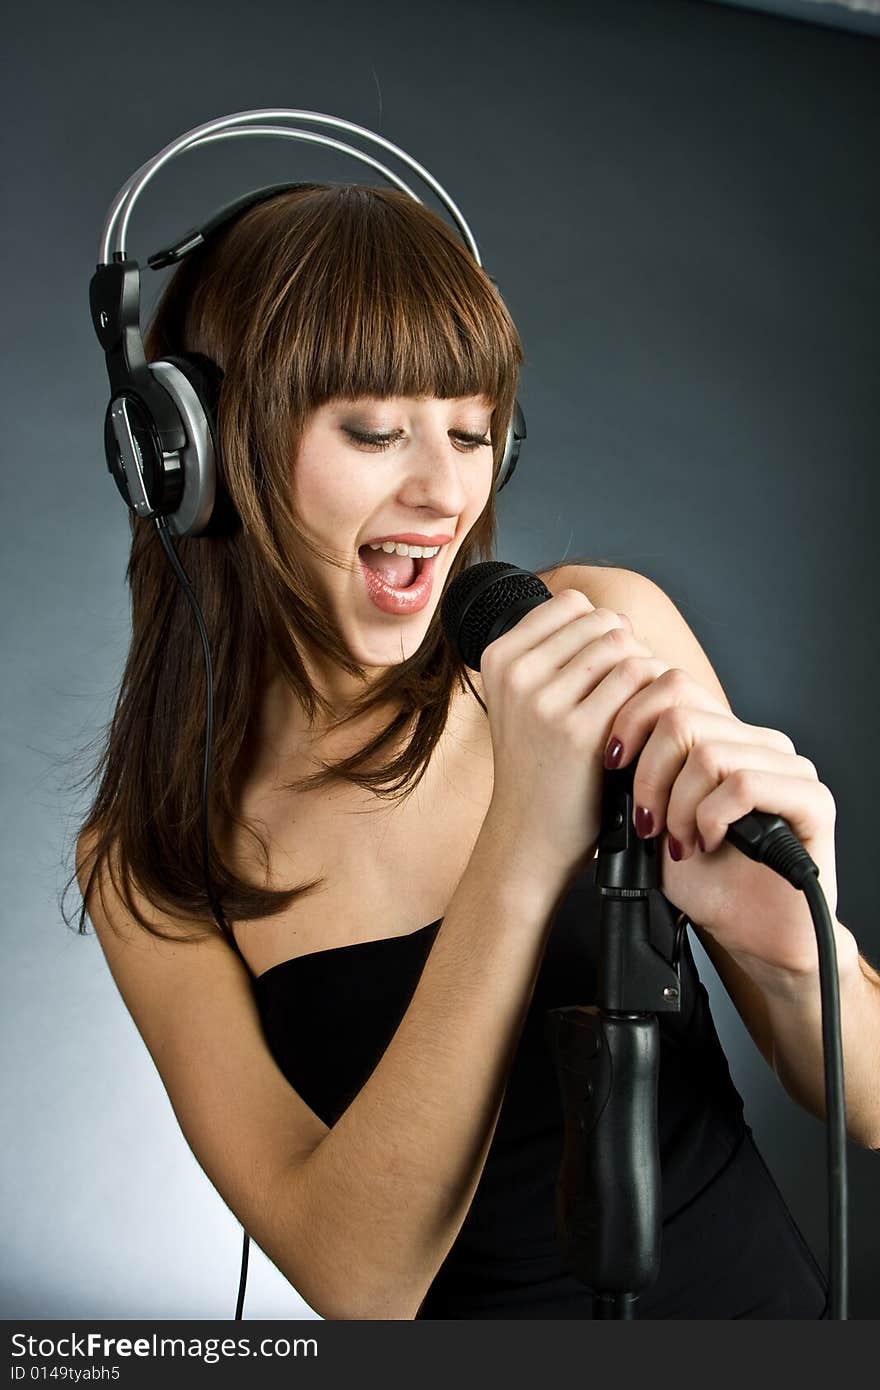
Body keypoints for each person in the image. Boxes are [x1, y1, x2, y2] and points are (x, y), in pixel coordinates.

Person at [72, 183, 880, 1321]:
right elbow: (359, 1283)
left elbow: (869, 1096)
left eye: (468, 430)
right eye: (370, 430)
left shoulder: (603, 634)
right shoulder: (149, 862)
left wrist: (801, 959)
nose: (444, 491)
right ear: (193, 457)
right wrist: (526, 838)